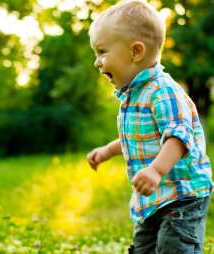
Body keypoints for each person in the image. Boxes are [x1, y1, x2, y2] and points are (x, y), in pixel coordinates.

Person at [86, 0, 213, 253]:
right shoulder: (133, 95)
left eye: (102, 52)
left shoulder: (162, 91)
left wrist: (155, 171)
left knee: (173, 247)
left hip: (182, 195)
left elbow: (178, 137)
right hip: (151, 198)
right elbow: (135, 137)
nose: (97, 62)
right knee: (144, 248)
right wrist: (108, 151)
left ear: (135, 52)